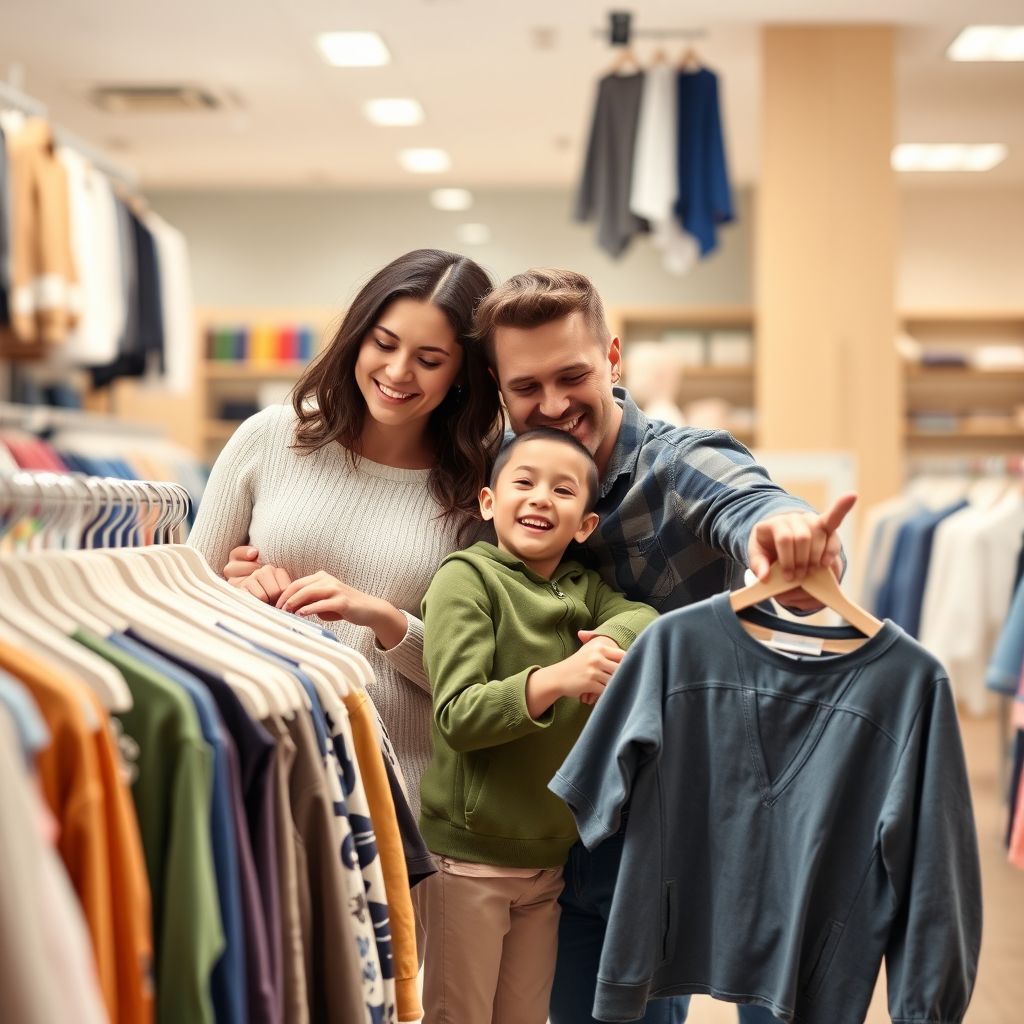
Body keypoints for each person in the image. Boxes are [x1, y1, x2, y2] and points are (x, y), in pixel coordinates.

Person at [473, 268, 856, 1024]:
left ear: (612, 358)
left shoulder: (679, 466)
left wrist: (790, 543)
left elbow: (750, 501)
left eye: (573, 375)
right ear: (498, 388)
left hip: (687, 814)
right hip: (561, 830)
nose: (551, 405)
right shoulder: (505, 478)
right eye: (527, 387)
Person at [188, 248, 502, 815]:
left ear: (462, 372)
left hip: (404, 797)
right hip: (264, 766)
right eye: (384, 344)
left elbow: (480, 682)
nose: (397, 372)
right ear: (357, 337)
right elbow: (182, 608)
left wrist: (384, 619)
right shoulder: (269, 438)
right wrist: (234, 598)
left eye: (429, 359)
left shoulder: (479, 490)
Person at [417, 427, 659, 1024]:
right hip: (469, 861)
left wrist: (608, 641)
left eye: (563, 489)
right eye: (523, 482)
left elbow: (645, 615)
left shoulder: (582, 587)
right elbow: (458, 714)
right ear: (488, 502)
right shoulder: (465, 578)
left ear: (584, 525)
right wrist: (560, 676)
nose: (540, 498)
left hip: (548, 859)